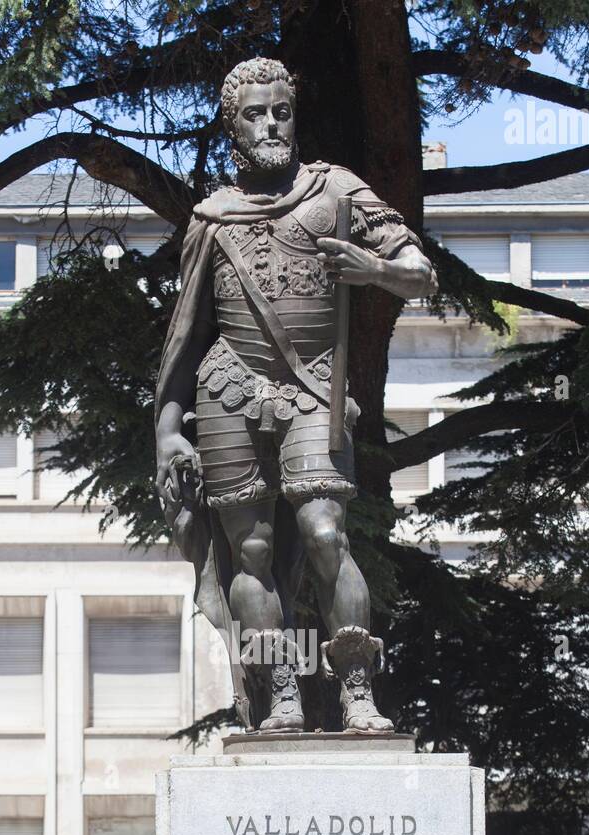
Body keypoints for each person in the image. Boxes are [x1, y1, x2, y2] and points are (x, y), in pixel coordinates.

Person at [155, 56, 437, 731]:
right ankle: (281, 688)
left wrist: (373, 269)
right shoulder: (211, 219)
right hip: (225, 390)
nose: (272, 123)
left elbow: (420, 273)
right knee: (249, 552)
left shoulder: (337, 192)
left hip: (313, 387)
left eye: (281, 110)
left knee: (324, 531)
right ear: (233, 126)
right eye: (256, 114)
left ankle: (356, 689)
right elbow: (185, 337)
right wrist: (168, 431)